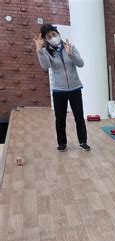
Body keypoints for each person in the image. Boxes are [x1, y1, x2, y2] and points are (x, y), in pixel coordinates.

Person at [34, 24, 90, 152]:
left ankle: (83, 142)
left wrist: (71, 54)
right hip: (59, 90)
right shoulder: (47, 51)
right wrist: (39, 50)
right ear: (45, 39)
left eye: (53, 34)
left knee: (79, 117)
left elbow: (80, 64)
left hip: (75, 88)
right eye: (48, 37)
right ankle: (62, 143)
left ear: (58, 34)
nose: (52, 37)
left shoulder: (70, 47)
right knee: (60, 118)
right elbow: (46, 66)